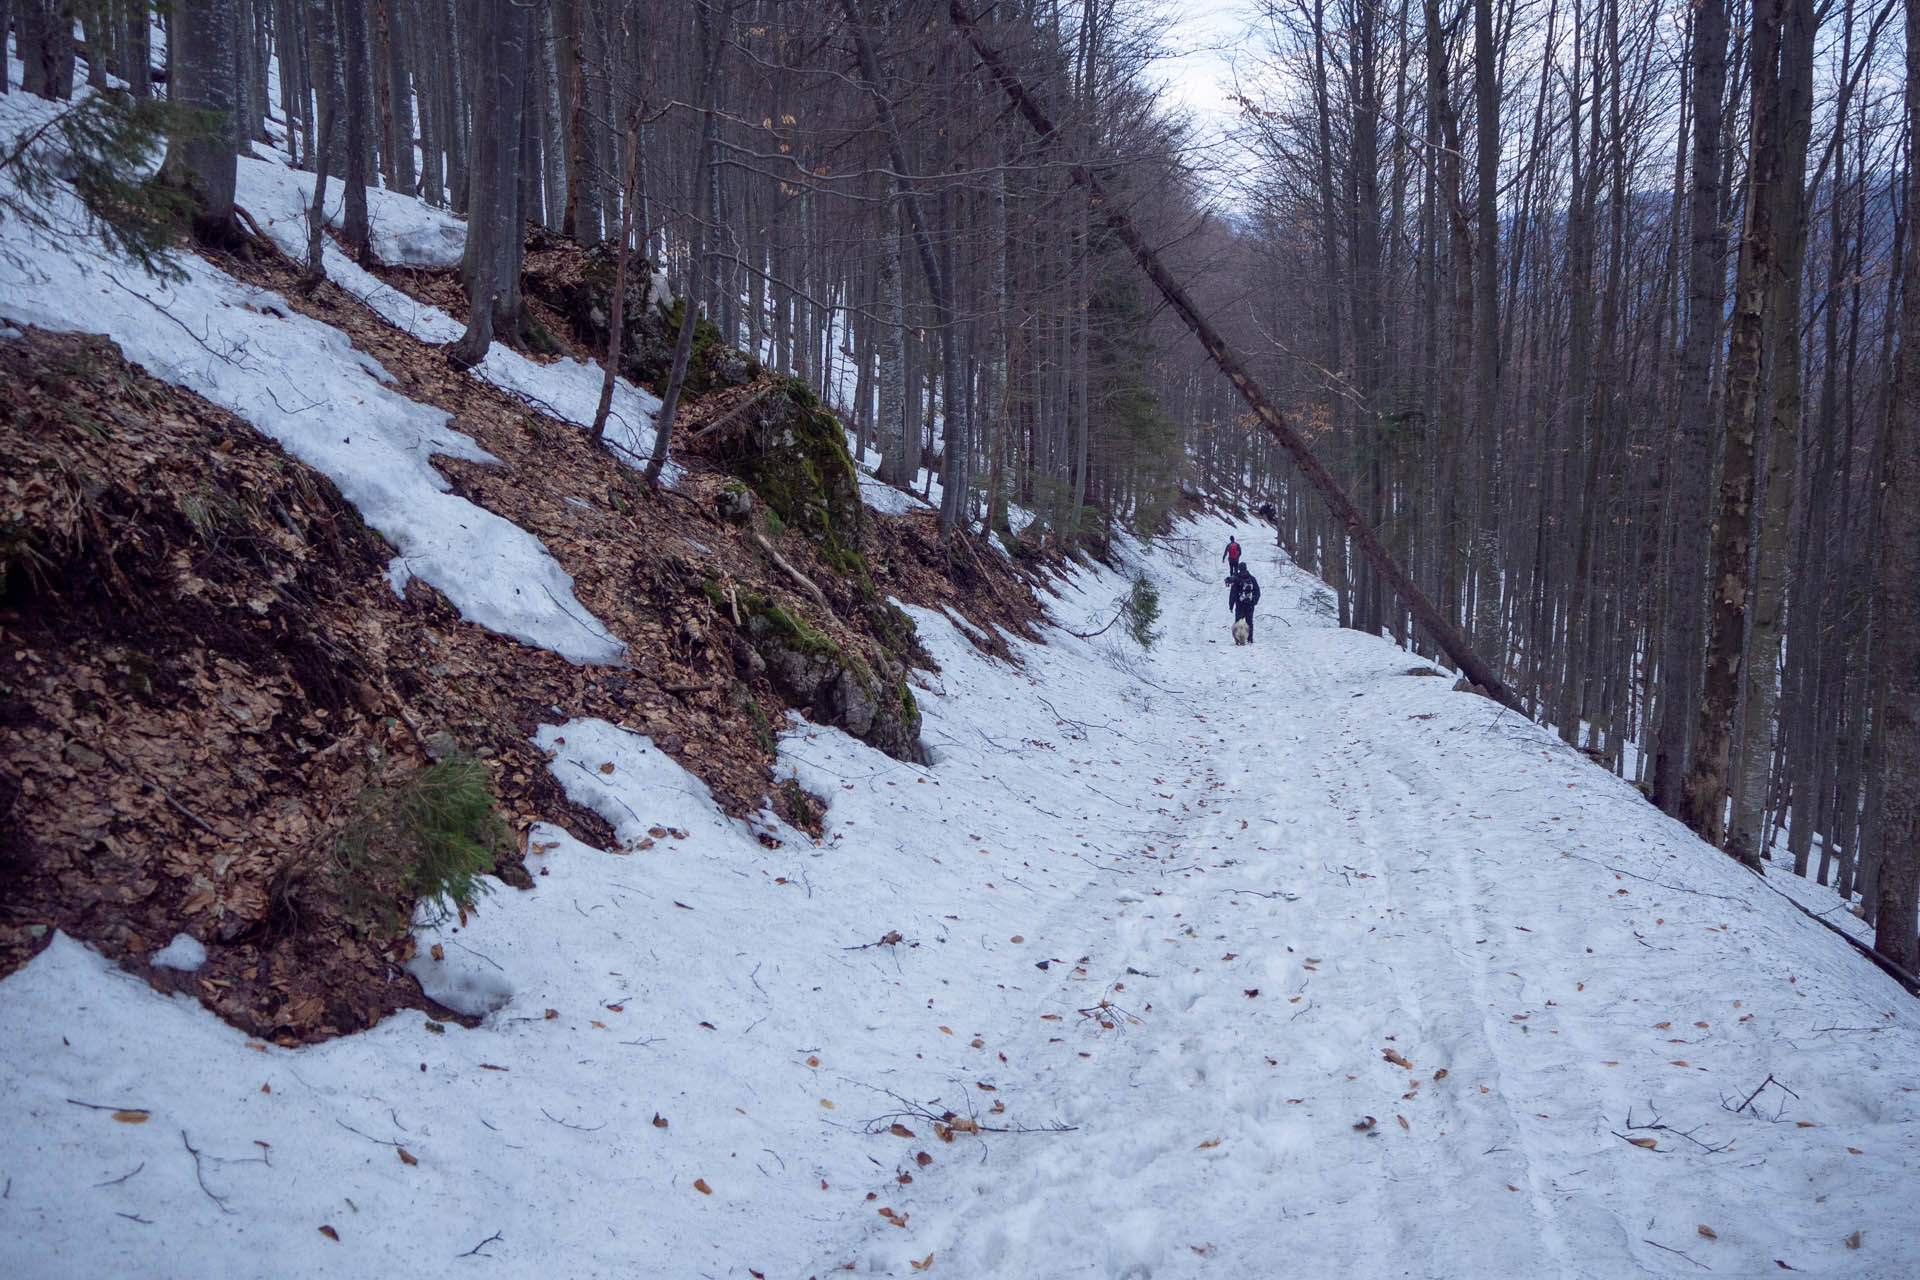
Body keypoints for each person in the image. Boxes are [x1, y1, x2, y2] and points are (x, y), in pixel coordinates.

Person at [1228, 563, 1261, 642]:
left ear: (1239, 569)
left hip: (1240, 604)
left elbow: (1233, 593)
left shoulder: (1236, 579)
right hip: (1250, 604)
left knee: (1238, 622)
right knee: (1249, 622)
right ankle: (1250, 639)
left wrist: (1231, 605)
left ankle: (1238, 639)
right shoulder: (1252, 578)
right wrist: (1254, 601)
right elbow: (1257, 591)